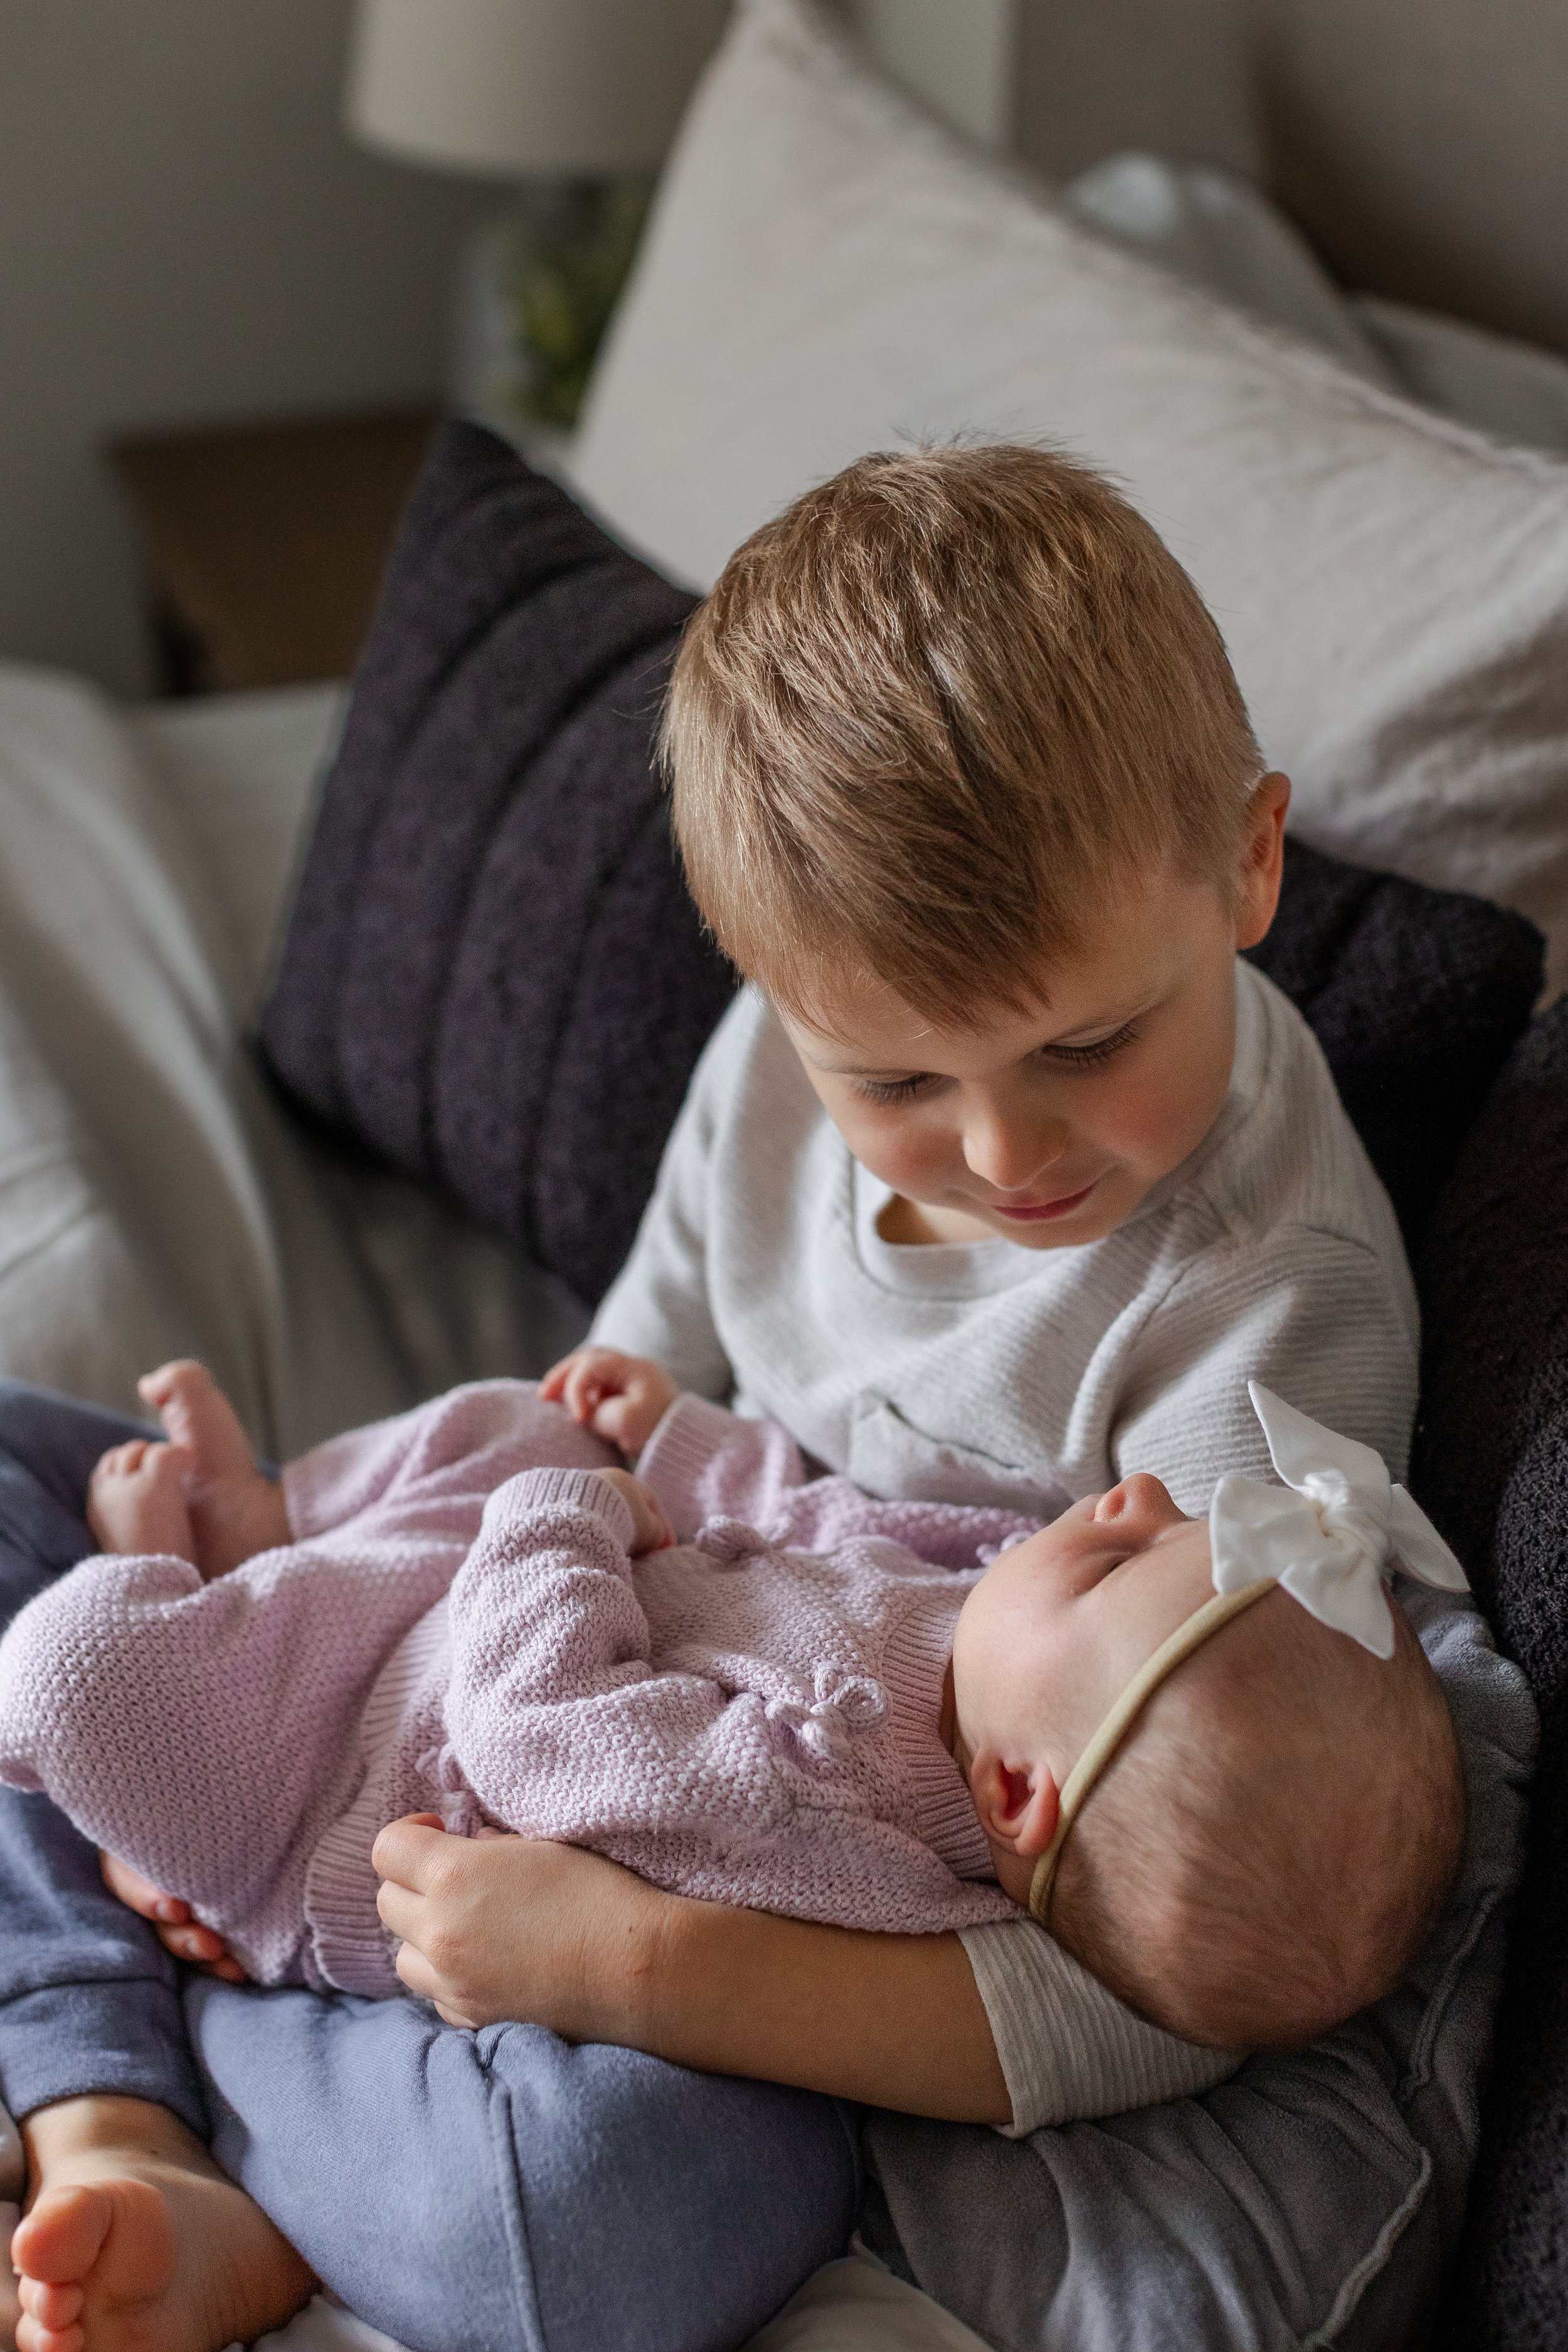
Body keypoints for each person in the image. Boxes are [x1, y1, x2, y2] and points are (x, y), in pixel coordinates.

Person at [0, 443, 1429, 2352]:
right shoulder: (790, 1033)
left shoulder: (1262, 1330)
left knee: (603, 2216)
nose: (1000, 1148)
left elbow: (1172, 1974)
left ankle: (164, 2044)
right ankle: (140, 2070)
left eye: (1087, 1040)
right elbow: (635, 1358)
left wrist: (644, 1964)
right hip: (575, 1622)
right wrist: (358, 1566)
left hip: (772, 1894)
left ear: (1247, 862)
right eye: (897, 1083)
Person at [1, 1363, 1465, 2066]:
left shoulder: (827, 1815)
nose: (1133, 1497)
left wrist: (565, 1514)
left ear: (1016, 1797)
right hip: (476, 1595)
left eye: (1120, 1557)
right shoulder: (989, 1609)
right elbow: (821, 1518)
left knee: (79, 1678)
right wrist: (675, 1439)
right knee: (525, 1411)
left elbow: (534, 1732)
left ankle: (162, 1579)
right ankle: (275, 1531)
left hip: (355, 1771)